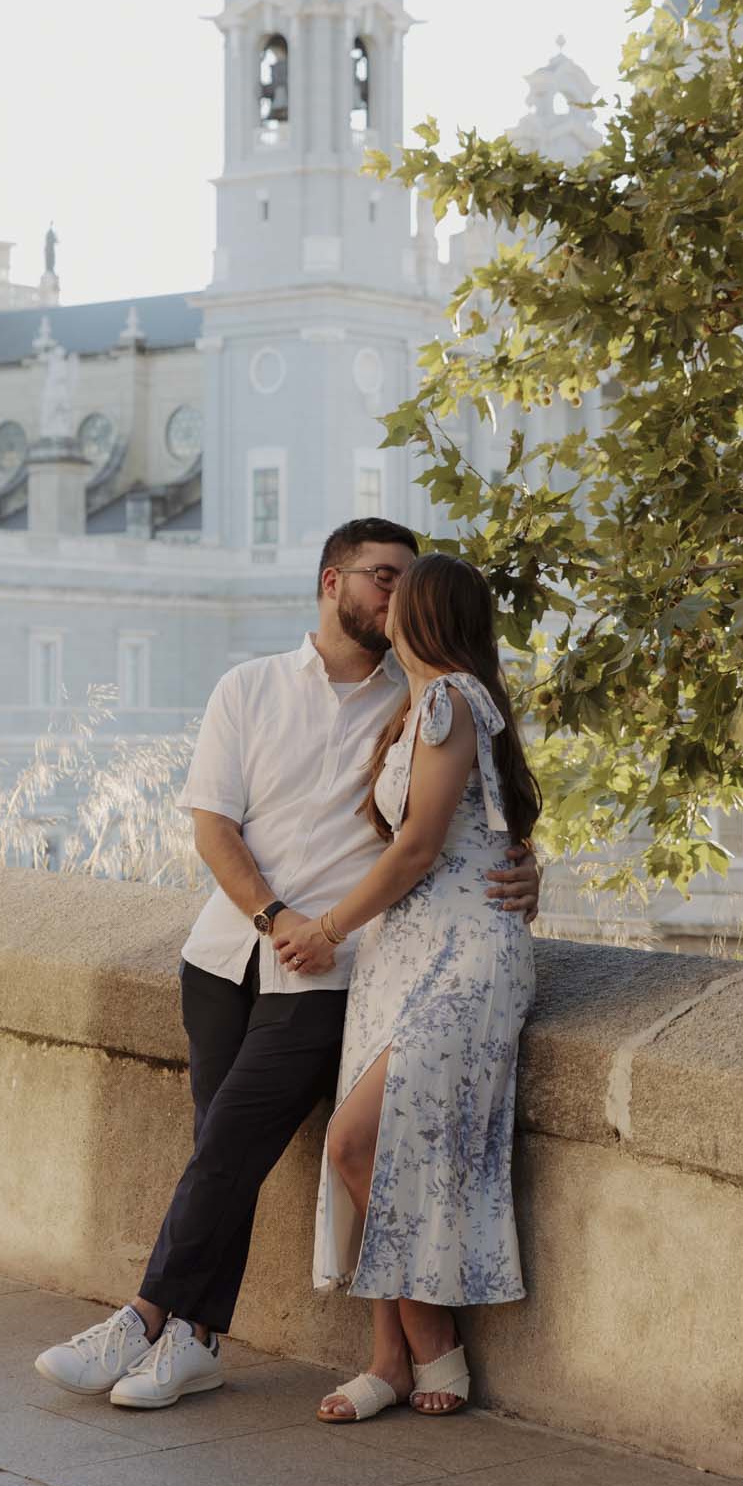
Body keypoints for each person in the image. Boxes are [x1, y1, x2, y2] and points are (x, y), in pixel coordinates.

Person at [34, 519, 540, 1410]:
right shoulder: (251, 687)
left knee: (231, 1143)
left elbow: (454, 823)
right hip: (227, 953)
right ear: (330, 580)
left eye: (408, 584)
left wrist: (523, 865)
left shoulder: (421, 699)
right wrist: (272, 917)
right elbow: (212, 827)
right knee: (216, 1152)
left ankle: (144, 1318)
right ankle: (194, 1341)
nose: (394, 596)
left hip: (333, 971)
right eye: (381, 577)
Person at [276, 551, 540, 1423]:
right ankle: (387, 1358)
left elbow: (421, 847)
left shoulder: (449, 699)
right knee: (385, 1144)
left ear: (420, 614)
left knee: (356, 1141)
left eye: (399, 595)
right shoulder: (425, 706)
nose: (383, 607)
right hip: (408, 950)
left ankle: (432, 1340)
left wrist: (326, 928)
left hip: (459, 951)